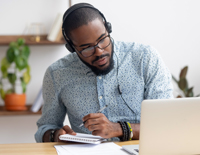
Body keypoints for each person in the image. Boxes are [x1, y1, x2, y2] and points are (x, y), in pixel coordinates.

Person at [35, 3, 173, 143]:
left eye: (102, 40)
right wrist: (55, 135)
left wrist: (119, 129)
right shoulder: (57, 74)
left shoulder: (145, 58)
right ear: (72, 48)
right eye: (86, 48)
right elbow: (45, 128)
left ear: (108, 29)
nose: (99, 51)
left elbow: (166, 124)